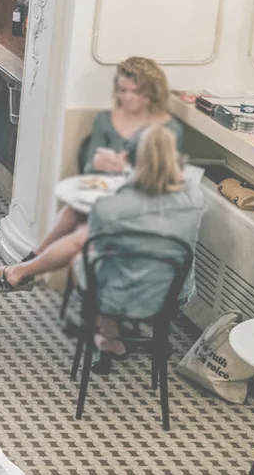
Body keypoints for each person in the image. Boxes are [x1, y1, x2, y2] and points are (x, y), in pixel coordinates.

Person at [0, 57, 184, 291]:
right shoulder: (108, 120)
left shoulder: (168, 130)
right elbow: (91, 169)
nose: (127, 97)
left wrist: (122, 169)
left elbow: (159, 180)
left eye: (135, 91)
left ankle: (22, 271)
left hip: (142, 205)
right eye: (122, 90)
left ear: (152, 93)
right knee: (71, 210)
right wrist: (104, 166)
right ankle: (27, 266)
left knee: (84, 232)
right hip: (107, 194)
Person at [85, 128, 206, 367]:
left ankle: (110, 336)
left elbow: (97, 243)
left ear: (134, 157)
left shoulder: (117, 203)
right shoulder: (195, 195)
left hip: (123, 294)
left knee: (89, 258)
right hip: (173, 293)